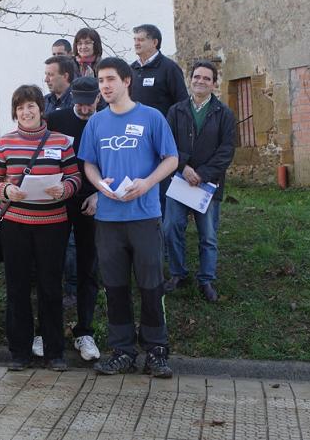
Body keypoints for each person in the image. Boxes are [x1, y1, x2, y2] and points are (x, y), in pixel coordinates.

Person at [77, 58, 179, 378]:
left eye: (110, 79)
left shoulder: (151, 117)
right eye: (101, 81)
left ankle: (156, 351)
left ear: (126, 81)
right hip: (108, 220)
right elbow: (89, 163)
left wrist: (148, 183)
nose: (105, 86)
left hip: (144, 216)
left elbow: (171, 159)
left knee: (151, 286)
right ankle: (122, 351)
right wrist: (98, 184)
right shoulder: (96, 123)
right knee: (115, 287)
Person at [0, 85, 81, 372]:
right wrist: (5, 190)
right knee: (17, 289)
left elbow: (75, 177)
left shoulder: (61, 142)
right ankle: (19, 353)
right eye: (20, 107)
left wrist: (64, 188)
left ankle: (54, 353)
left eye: (31, 106)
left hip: (53, 226)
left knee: (51, 289)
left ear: (41, 109)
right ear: (15, 112)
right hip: (15, 226)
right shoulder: (4, 143)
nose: (26, 112)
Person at [163, 61, 236, 301]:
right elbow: (167, 144)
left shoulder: (224, 114)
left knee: (208, 235)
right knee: (171, 228)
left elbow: (226, 150)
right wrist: (184, 167)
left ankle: (206, 280)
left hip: (208, 184)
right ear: (190, 79)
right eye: (196, 77)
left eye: (206, 78)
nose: (200, 81)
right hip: (180, 180)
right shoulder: (176, 111)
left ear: (214, 83)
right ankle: (178, 273)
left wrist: (202, 173)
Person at [46, 76, 102, 362]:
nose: (84, 108)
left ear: (98, 99)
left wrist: (100, 194)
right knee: (51, 267)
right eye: (79, 103)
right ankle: (48, 332)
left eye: (89, 103)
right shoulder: (55, 120)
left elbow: (116, 163)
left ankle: (85, 331)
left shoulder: (106, 121)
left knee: (87, 269)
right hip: (58, 200)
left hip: (92, 201)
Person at [129, 24, 188, 220]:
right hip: (136, 141)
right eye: (135, 39)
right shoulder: (131, 70)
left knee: (162, 192)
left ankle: (162, 234)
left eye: (141, 39)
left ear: (154, 42)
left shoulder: (169, 68)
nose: (136, 43)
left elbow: (182, 106)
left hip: (161, 142)